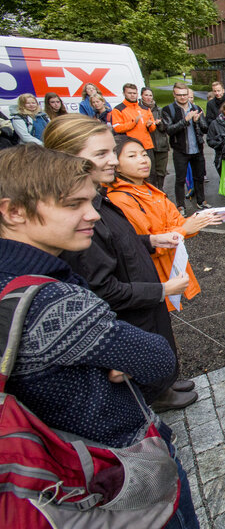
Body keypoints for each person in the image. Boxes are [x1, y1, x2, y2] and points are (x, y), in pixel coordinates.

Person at [0, 144, 200, 528]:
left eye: (91, 201)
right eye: (74, 204)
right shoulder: (53, 303)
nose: (92, 214)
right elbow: (157, 360)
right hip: (112, 463)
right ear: (14, 212)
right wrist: (118, 357)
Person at [44, 116, 196, 411]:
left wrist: (150, 241)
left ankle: (164, 381)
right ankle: (154, 395)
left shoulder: (98, 196)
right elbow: (102, 287)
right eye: (101, 154)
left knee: (159, 342)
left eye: (111, 151)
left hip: (143, 296)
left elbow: (119, 241)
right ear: (68, 157)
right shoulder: (79, 216)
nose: (112, 160)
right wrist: (162, 289)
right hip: (131, 308)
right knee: (142, 357)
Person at [106, 136, 221, 308]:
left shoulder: (150, 191)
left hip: (168, 266)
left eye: (144, 154)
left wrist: (198, 221)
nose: (143, 160)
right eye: (132, 156)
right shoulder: (120, 199)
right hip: (150, 276)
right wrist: (185, 229)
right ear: (115, 164)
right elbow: (144, 243)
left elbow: (176, 222)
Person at [162, 82, 209, 216]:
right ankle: (181, 206)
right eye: (179, 95)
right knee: (180, 179)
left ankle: (201, 201)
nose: (183, 98)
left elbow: (205, 128)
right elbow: (169, 130)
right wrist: (185, 120)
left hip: (197, 149)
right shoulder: (168, 110)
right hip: (180, 150)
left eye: (185, 95)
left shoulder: (196, 107)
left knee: (199, 177)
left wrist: (197, 121)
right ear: (174, 95)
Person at [112, 83, 156, 179]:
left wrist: (150, 125)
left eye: (134, 93)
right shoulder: (118, 109)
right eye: (130, 93)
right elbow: (117, 128)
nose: (132, 95)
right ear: (124, 93)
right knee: (135, 174)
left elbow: (153, 128)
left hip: (147, 146)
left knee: (151, 174)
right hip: (131, 148)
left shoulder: (145, 108)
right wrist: (133, 123)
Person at [140, 87, 168, 190]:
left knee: (161, 171)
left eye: (150, 95)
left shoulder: (159, 110)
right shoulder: (138, 110)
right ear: (142, 96)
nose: (148, 98)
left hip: (160, 144)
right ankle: (151, 190)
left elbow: (166, 128)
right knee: (149, 171)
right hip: (145, 146)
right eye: (146, 95)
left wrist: (159, 124)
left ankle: (160, 189)